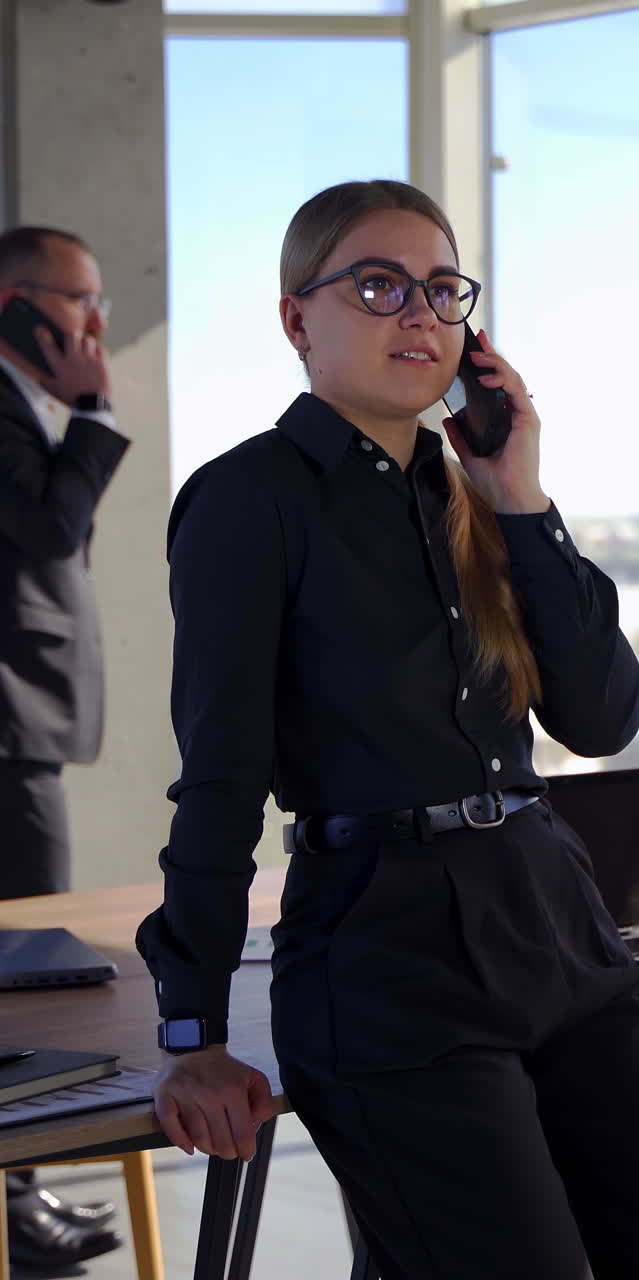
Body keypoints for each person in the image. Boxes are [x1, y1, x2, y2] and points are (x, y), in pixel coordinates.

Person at [137, 180, 639, 1279]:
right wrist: (192, 1035)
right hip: (387, 958)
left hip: (557, 925)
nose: (419, 312)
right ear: (296, 319)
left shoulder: (480, 499)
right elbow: (217, 779)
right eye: (378, 284)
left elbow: (599, 717)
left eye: (442, 289)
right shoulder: (246, 500)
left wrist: (521, 494)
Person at [0, 226, 127, 1266]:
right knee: (22, 955)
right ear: (15, 301)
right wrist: (94, 413)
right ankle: (16, 1198)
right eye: (82, 301)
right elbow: (47, 537)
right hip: (5, 729)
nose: (95, 325)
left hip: (18, 722)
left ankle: (17, 1194)